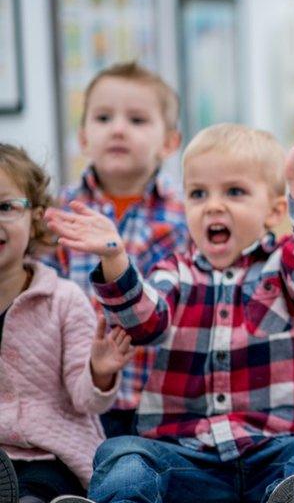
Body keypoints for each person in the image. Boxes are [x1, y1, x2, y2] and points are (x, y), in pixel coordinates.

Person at [42, 102, 294, 503]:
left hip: (277, 454)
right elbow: (143, 320)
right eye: (198, 193)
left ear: (272, 211)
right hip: (190, 463)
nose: (212, 206)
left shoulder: (285, 268)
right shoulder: (172, 273)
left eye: (234, 192)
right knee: (120, 450)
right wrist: (115, 256)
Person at [42, 61, 188, 439]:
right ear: (84, 137)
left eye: (137, 120)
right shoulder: (61, 213)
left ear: (170, 142)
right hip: (77, 393)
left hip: (162, 397)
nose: (119, 129)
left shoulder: (186, 216)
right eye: (104, 117)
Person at [0, 144, 132, 503]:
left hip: (51, 451)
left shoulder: (63, 299)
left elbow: (86, 399)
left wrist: (99, 370)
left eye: (5, 207)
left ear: (36, 218)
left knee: (41, 493)